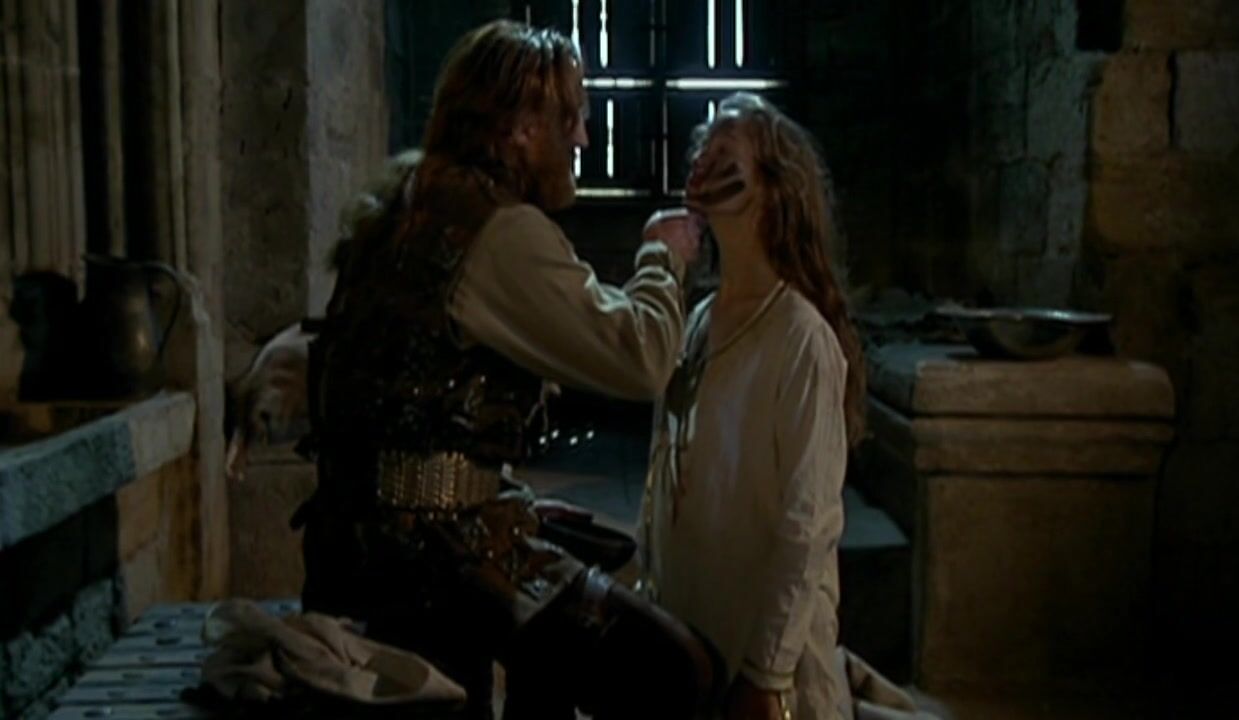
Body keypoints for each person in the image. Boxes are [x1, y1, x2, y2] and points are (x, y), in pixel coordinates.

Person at [298, 19, 720, 720]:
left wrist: (497, 493)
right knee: (676, 668)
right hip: (433, 561)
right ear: (520, 127)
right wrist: (662, 256)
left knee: (570, 595)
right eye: (570, 118)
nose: (582, 138)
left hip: (358, 543)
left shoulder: (407, 201)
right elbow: (640, 357)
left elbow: (413, 406)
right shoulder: (499, 231)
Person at [639, 93, 930, 720]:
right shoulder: (697, 321)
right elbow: (665, 471)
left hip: (766, 665)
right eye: (702, 146)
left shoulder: (801, 338)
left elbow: (808, 524)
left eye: (725, 150)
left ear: (772, 191)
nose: (702, 158)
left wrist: (766, 673)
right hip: (693, 640)